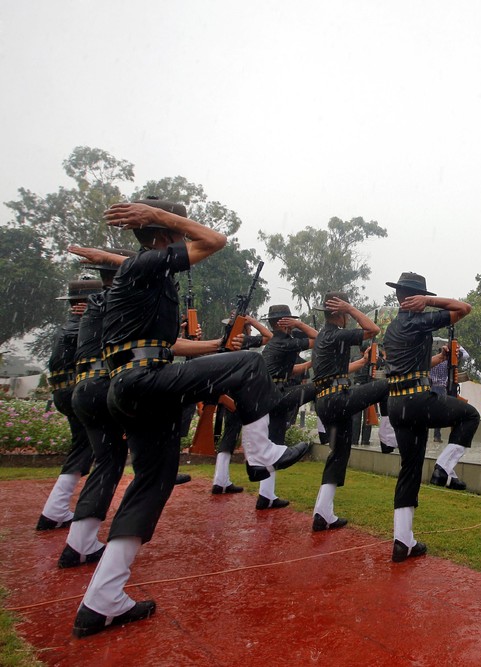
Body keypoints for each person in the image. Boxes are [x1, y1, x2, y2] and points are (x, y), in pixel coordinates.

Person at [71, 198, 309, 638]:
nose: (186, 237)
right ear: (163, 236)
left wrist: (219, 347)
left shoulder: (144, 276)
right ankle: (261, 456)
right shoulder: (145, 266)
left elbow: (170, 346)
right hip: (144, 383)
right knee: (255, 365)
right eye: (177, 232)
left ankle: (101, 600)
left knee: (151, 484)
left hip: (132, 386)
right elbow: (215, 240)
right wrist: (159, 216)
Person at [382, 272, 480, 562]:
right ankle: (444, 468)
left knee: (409, 469)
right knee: (470, 416)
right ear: (416, 299)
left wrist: (438, 359)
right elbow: (464, 308)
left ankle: (403, 541)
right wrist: (431, 300)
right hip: (417, 400)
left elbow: (413, 362)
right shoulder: (420, 319)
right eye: (421, 298)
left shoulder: (393, 328)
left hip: (396, 403)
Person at [56, 248, 133, 567]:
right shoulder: (118, 303)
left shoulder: (99, 303)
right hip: (103, 388)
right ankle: (84, 543)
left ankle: (78, 540)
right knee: (110, 461)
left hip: (85, 388)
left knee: (105, 461)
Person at [310, 292, 386, 531]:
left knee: (339, 454)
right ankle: (389, 437)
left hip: (326, 401)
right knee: (386, 385)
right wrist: (352, 308)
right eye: (346, 313)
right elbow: (373, 329)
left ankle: (323, 513)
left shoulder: (324, 337)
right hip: (337, 399)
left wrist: (363, 362)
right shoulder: (336, 334)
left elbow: (338, 371)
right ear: (341, 314)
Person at [35, 279, 102, 531]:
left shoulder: (67, 326)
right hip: (79, 391)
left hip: (64, 391)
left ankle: (55, 509)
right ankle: (81, 524)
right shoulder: (86, 325)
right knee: (106, 452)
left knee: (83, 447)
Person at [255, 304, 317, 509]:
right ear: (283, 322)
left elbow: (289, 371)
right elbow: (320, 339)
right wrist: (300, 323)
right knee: (321, 386)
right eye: (288, 321)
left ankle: (266, 495)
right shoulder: (283, 342)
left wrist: (308, 365)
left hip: (270, 393)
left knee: (274, 443)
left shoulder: (279, 343)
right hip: (277, 395)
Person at [210, 314, 273, 495]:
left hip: (223, 390)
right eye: (248, 327)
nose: (250, 330)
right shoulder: (241, 341)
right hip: (238, 391)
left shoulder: (222, 343)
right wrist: (252, 321)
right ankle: (222, 480)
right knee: (237, 433)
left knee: (229, 434)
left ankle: (220, 479)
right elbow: (270, 337)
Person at [428, 336, 471, 489]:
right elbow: (466, 355)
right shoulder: (446, 363)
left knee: (435, 415)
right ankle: (439, 438)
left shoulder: (437, 362)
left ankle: (436, 436)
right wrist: (456, 347)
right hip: (443, 388)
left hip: (434, 387)